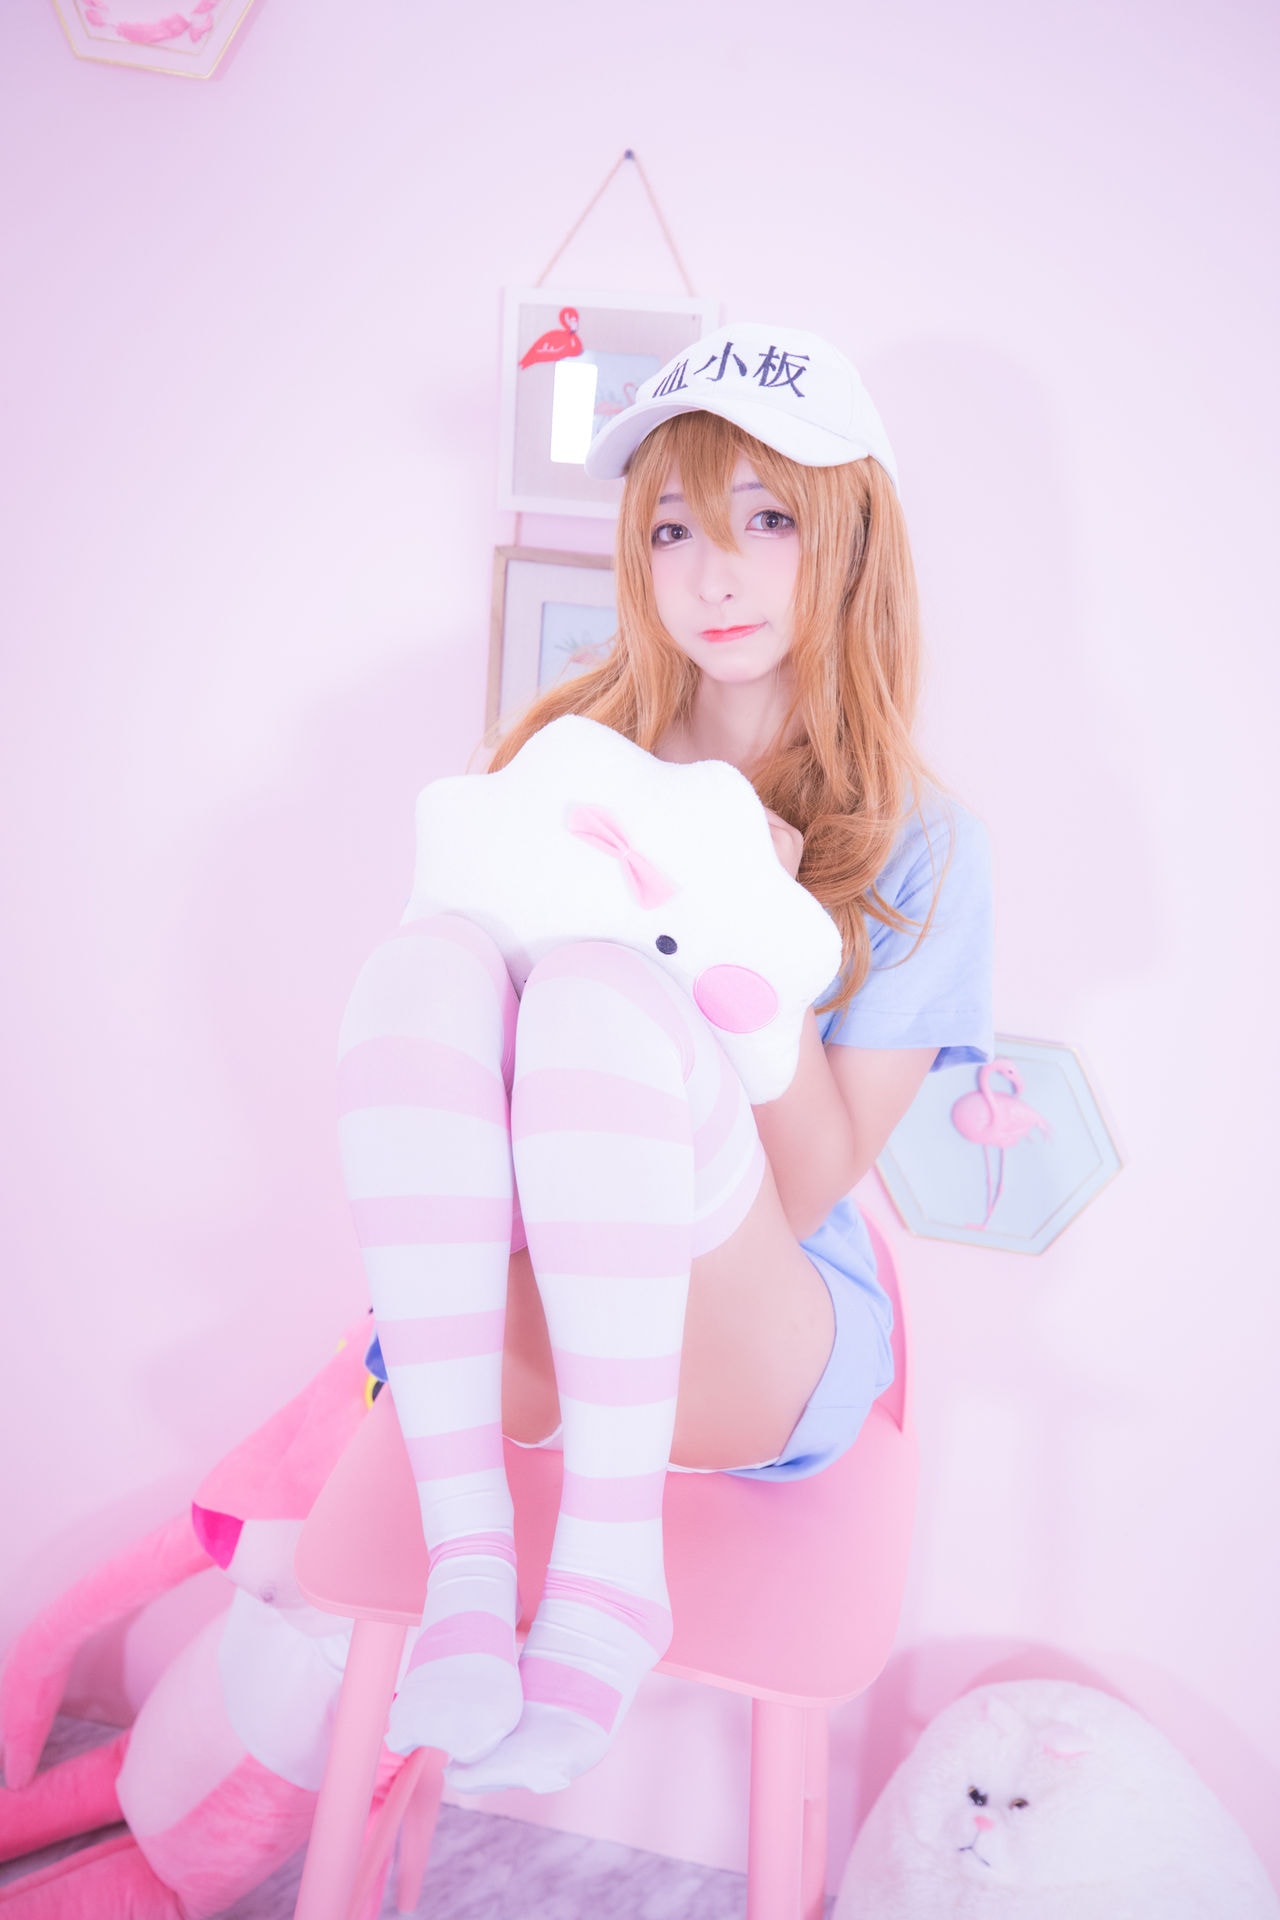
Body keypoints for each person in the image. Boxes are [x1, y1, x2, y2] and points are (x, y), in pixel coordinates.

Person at [336, 323, 993, 1796]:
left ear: (851, 536)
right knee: (419, 968)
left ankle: (608, 1576)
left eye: (769, 519)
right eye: (675, 528)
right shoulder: (566, 752)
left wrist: (743, 944)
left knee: (595, 992)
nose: (715, 573)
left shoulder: (925, 844)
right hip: (512, 1325)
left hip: (740, 1333)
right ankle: (468, 1558)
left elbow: (811, 1186)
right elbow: (438, 1075)